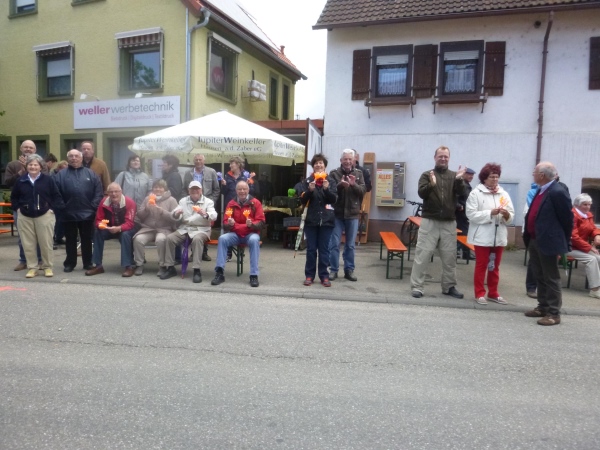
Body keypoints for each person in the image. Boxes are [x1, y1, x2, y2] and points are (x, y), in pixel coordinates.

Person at [410, 146, 467, 299]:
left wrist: (460, 179)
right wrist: (432, 184)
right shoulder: (427, 175)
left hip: (449, 222)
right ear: (435, 157)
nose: (443, 159)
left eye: (445, 156)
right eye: (440, 156)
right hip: (430, 221)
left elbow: (462, 193)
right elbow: (421, 193)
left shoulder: (454, 176)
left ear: (449, 158)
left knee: (450, 257)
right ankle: (417, 287)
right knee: (422, 255)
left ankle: (449, 286)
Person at [523, 162, 573, 326]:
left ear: (542, 175)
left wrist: (563, 241)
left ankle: (553, 313)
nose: (533, 174)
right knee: (540, 275)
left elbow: (567, 219)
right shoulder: (541, 189)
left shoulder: (557, 191)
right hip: (535, 239)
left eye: (535, 171)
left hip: (548, 241)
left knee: (551, 277)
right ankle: (543, 307)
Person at [466, 163, 515, 305]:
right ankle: (479, 293)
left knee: (494, 266)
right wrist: (490, 213)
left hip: (498, 236)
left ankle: (493, 293)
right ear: (484, 178)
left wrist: (506, 215)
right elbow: (471, 214)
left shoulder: (503, 194)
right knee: (481, 265)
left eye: (497, 177)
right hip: (482, 236)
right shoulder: (476, 193)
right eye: (492, 177)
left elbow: (511, 215)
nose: (495, 179)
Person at [10, 154, 65, 278]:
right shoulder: (21, 180)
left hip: (45, 215)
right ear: (26, 166)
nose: (33, 167)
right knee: (28, 244)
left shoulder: (48, 180)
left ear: (40, 167)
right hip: (25, 216)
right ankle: (32, 268)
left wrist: (52, 210)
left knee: (46, 243)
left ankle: (47, 267)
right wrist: (17, 208)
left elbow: (57, 197)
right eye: (30, 164)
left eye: (36, 165)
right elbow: (14, 198)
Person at [55, 149, 103, 272]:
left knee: (87, 239)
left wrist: (93, 206)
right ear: (68, 159)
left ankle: (87, 263)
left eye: (76, 156)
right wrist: (63, 207)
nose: (74, 158)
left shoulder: (91, 174)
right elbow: (55, 193)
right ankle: (70, 263)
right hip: (68, 213)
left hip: (87, 213)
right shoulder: (60, 175)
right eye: (71, 156)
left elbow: (98, 192)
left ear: (81, 158)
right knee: (70, 239)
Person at [160, 181, 217, 283]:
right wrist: (177, 214)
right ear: (189, 191)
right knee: (170, 238)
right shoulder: (183, 201)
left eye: (197, 189)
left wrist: (205, 214)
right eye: (192, 189)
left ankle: (196, 270)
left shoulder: (208, 201)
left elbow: (214, 215)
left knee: (197, 239)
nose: (195, 191)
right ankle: (170, 267)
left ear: (201, 190)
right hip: (185, 228)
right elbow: (174, 213)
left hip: (202, 229)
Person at [211, 181, 265, 287]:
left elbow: (262, 223)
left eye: (244, 189)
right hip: (235, 234)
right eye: (239, 189)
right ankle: (219, 272)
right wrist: (229, 224)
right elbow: (224, 224)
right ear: (236, 191)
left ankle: (254, 275)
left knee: (254, 240)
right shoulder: (231, 204)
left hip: (250, 234)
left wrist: (252, 224)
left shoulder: (256, 203)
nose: (242, 191)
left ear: (248, 190)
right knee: (222, 238)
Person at [5, 140, 46, 271]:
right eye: (26, 147)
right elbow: (7, 182)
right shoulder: (12, 165)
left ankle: (40, 260)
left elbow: (47, 181)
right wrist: (22, 171)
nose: (28, 149)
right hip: (21, 207)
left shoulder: (42, 164)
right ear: (21, 149)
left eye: (31, 147)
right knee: (23, 236)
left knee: (39, 235)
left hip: (40, 206)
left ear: (35, 150)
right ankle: (24, 260)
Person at [299, 154, 338, 287]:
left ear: (325, 166)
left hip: (327, 220)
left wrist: (326, 190)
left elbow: (334, 199)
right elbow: (302, 200)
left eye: (321, 163)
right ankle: (309, 275)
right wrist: (310, 191)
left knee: (324, 250)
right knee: (311, 249)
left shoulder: (331, 181)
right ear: (313, 166)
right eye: (316, 163)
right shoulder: (307, 181)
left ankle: (324, 276)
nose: (318, 165)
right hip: (311, 220)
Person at [328, 149, 366, 281]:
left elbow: (363, 191)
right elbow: (329, 192)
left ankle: (349, 270)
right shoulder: (334, 173)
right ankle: (333, 270)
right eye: (345, 159)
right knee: (334, 244)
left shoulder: (359, 174)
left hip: (353, 214)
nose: (348, 161)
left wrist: (353, 185)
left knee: (350, 245)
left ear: (354, 160)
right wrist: (340, 186)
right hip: (337, 214)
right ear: (341, 160)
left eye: (350, 159)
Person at [85, 182, 137, 277]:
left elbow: (130, 223)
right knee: (98, 232)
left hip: (126, 228)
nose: (114, 194)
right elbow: (98, 220)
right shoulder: (104, 202)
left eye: (116, 191)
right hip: (110, 228)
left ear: (121, 192)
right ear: (108, 193)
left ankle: (128, 266)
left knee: (125, 235)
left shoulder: (129, 202)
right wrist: (103, 226)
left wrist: (119, 228)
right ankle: (98, 265)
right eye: (111, 192)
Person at [132, 180, 178, 277]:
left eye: (160, 187)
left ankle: (162, 265)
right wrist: (146, 209)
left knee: (161, 240)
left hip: (164, 229)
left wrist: (162, 212)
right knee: (138, 239)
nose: (158, 189)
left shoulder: (171, 200)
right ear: (152, 188)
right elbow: (139, 216)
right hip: (148, 228)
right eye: (155, 187)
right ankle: (139, 264)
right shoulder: (147, 199)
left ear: (165, 189)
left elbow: (174, 218)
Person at [183, 154, 220, 261]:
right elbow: (184, 188)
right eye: (196, 160)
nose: (198, 161)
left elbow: (216, 189)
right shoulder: (188, 173)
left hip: (206, 203)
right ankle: (193, 252)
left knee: (205, 225)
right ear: (193, 161)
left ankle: (204, 252)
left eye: (200, 160)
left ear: (204, 161)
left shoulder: (211, 172)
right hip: (192, 203)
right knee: (193, 226)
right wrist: (186, 201)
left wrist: (211, 201)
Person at [220, 156, 256, 260]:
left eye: (232, 163)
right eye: (230, 163)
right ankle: (228, 253)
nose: (230, 165)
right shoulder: (227, 176)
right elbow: (223, 192)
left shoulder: (246, 175)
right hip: (230, 205)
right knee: (229, 227)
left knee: (242, 226)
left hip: (243, 205)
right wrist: (224, 185)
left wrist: (250, 184)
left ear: (238, 164)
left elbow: (253, 191)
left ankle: (241, 252)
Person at [566, 194, 600, 299]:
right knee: (591, 259)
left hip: (581, 246)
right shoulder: (572, 216)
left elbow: (593, 228)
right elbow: (573, 237)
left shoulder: (588, 215)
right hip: (569, 246)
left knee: (598, 257)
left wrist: (597, 235)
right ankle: (594, 290)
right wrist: (590, 247)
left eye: (589, 204)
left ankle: (597, 286)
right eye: (585, 204)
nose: (588, 207)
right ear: (577, 205)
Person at [456, 167, 476, 260]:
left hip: (465, 213)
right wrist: (459, 206)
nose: (471, 176)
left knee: (465, 233)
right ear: (463, 174)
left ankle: (465, 253)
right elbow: (454, 197)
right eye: (469, 174)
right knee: (463, 233)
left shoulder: (467, 185)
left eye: (472, 175)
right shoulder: (462, 185)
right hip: (460, 213)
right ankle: (462, 253)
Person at [524, 182, 539, 298]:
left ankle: (544, 290)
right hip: (535, 232)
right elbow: (530, 212)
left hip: (549, 232)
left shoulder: (559, 189)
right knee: (534, 260)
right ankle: (531, 287)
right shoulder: (534, 192)